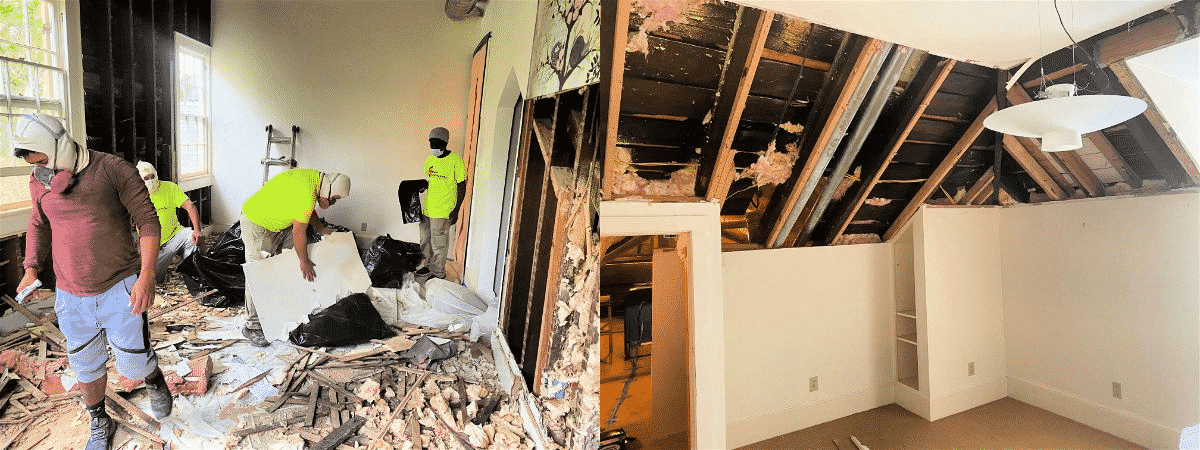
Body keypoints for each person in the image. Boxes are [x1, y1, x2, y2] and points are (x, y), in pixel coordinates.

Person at [13, 113, 172, 450]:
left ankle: (154, 377)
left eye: (41, 159)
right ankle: (99, 418)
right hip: (71, 294)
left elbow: (148, 221)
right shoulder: (38, 181)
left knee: (133, 361)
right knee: (85, 364)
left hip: (120, 287)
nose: (39, 169)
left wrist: (146, 276)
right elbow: (38, 224)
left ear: (59, 148)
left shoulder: (113, 170)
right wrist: (30, 268)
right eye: (32, 163)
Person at [239, 168, 350, 347]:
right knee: (257, 272)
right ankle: (252, 327)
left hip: (277, 223)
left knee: (284, 261)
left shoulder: (313, 181)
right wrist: (304, 261)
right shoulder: (306, 192)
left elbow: (307, 212)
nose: (332, 202)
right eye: (334, 198)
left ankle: (281, 306)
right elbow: (299, 231)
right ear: (328, 189)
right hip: (256, 222)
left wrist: (322, 229)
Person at [135, 161, 201, 284]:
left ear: (156, 174)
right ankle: (162, 277)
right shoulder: (136, 195)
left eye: (152, 176)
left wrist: (197, 230)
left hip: (174, 235)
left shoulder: (169, 187)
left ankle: (192, 276)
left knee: (192, 238)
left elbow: (190, 206)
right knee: (153, 280)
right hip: (152, 244)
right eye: (146, 178)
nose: (150, 180)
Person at [417, 127, 466, 280]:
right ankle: (428, 266)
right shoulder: (430, 160)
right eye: (431, 144)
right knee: (425, 241)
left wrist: (457, 210)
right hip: (427, 209)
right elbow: (431, 181)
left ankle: (438, 272)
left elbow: (462, 186)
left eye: (437, 144)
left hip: (443, 210)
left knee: (439, 244)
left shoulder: (456, 161)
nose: (434, 147)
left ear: (445, 143)